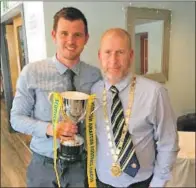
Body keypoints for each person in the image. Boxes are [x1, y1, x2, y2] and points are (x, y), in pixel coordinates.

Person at [10, 7, 101, 188]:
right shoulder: (32, 72)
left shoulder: (94, 75)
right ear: (54, 35)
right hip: (44, 165)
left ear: (86, 39)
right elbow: (16, 119)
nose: (70, 41)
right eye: (64, 33)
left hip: (81, 166)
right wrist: (50, 128)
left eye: (77, 35)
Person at [91, 28, 179, 188]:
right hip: (101, 181)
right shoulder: (93, 92)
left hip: (141, 183)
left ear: (131, 56)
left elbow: (168, 142)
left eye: (120, 52)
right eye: (108, 52)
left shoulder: (155, 93)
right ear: (99, 56)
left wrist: (158, 183)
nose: (113, 60)